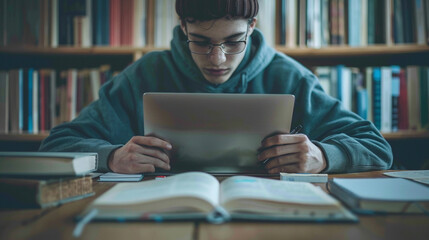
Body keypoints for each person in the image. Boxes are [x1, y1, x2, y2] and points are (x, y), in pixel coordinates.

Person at [39, 0, 393, 174]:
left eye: (234, 41)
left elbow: (376, 147)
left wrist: (325, 156)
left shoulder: (291, 77)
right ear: (183, 26)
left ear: (252, 25)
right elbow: (56, 146)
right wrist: (113, 157)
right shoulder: (144, 75)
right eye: (201, 42)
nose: (218, 59)